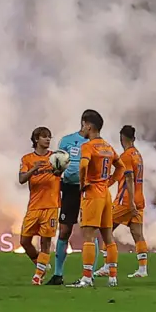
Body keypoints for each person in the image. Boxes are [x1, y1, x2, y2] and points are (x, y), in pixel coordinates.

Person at [69, 109, 118, 288]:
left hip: (92, 194)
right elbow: (120, 166)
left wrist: (82, 184)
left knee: (88, 236)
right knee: (108, 237)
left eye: (83, 125)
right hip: (105, 193)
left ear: (88, 126)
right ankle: (113, 277)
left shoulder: (88, 146)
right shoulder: (108, 146)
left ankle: (87, 278)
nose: (82, 129)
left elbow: (83, 166)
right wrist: (110, 181)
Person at [47, 117, 90, 285]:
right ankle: (58, 274)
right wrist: (57, 170)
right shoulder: (67, 141)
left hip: (88, 189)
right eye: (89, 125)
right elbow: (57, 163)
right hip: (70, 189)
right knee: (64, 230)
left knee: (90, 231)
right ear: (84, 123)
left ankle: (88, 276)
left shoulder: (96, 144)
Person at [18, 126, 59, 285]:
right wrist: (33, 170)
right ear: (36, 139)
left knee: (45, 241)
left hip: (51, 205)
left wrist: (60, 172)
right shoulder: (27, 159)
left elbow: (63, 173)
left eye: (49, 137)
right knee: (24, 241)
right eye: (44, 136)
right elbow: (22, 179)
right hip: (34, 206)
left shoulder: (55, 157)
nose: (48, 139)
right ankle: (40, 264)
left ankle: (38, 275)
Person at [111, 125, 148, 278]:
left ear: (122, 138)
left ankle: (108, 265)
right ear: (133, 138)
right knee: (137, 233)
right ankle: (143, 269)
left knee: (105, 228)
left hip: (126, 200)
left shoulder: (126, 156)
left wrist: (130, 201)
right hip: (139, 199)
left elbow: (129, 178)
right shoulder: (138, 155)